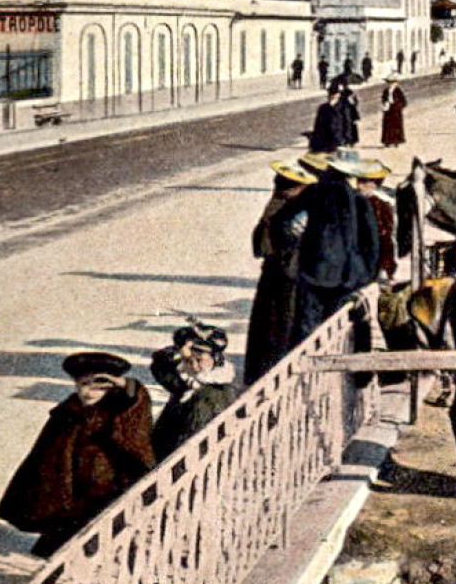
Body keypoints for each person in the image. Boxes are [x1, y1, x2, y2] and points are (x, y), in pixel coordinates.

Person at [0, 352, 155, 558]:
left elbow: (137, 406)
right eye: (82, 384)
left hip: (105, 489)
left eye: (99, 386)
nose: (88, 392)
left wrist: (123, 382)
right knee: (63, 546)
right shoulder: (68, 412)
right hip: (70, 490)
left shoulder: (119, 412)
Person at [291, 152, 381, 342]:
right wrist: (367, 276)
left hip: (314, 272)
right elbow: (371, 244)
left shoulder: (313, 192)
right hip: (347, 277)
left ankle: (306, 366)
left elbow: (285, 224)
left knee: (307, 327)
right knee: (339, 327)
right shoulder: (360, 201)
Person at [245, 158, 318, 383]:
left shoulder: (279, 205)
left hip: (280, 275)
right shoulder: (290, 206)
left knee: (272, 328)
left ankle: (265, 373)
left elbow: (260, 245)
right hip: (287, 277)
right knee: (280, 327)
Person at [150, 321, 237, 460]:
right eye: (189, 360)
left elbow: (188, 442)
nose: (194, 366)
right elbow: (163, 368)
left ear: (215, 359)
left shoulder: (212, 394)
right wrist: (182, 348)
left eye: (199, 360)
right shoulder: (196, 381)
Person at [353, 158, 398, 281]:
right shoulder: (352, 200)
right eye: (359, 181)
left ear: (374, 184)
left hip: (375, 255)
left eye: (364, 182)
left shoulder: (382, 204)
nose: (359, 185)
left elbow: (387, 236)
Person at [308, 86, 345, 153]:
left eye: (335, 94)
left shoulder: (342, 108)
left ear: (339, 95)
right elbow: (318, 124)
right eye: (331, 94)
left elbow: (347, 123)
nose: (332, 96)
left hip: (337, 139)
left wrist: (346, 139)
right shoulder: (323, 107)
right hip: (324, 139)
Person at [380, 76, 408, 148]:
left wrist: (397, 106)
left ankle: (396, 141)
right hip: (388, 111)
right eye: (389, 82)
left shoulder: (398, 91)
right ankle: (387, 141)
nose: (390, 84)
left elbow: (404, 102)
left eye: (392, 82)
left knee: (396, 127)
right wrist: (385, 104)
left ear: (396, 83)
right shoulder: (386, 91)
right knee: (387, 127)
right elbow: (383, 99)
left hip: (396, 112)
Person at [338, 82, 361, 147]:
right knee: (344, 126)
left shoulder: (348, 92)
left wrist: (352, 101)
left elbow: (354, 103)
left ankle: (350, 141)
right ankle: (345, 140)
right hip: (343, 112)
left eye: (341, 85)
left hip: (349, 112)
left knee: (350, 126)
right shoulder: (339, 93)